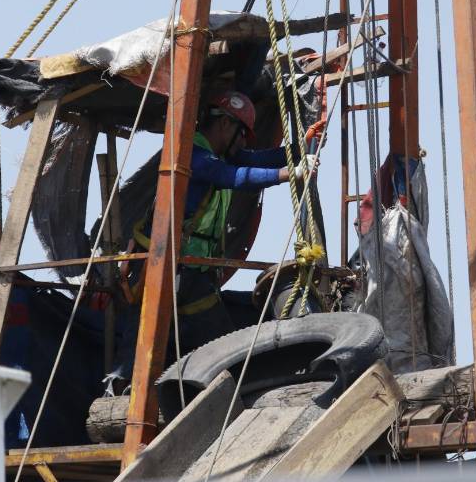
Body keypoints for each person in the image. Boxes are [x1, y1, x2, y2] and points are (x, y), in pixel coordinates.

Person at [105, 90, 318, 388]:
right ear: (226, 126)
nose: (243, 144)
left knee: (198, 338)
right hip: (164, 267)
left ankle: (193, 388)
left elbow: (256, 158)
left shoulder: (217, 153)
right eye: (242, 135)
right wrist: (289, 173)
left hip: (191, 272)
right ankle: (122, 391)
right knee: (153, 336)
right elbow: (234, 176)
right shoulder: (191, 153)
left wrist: (302, 147)